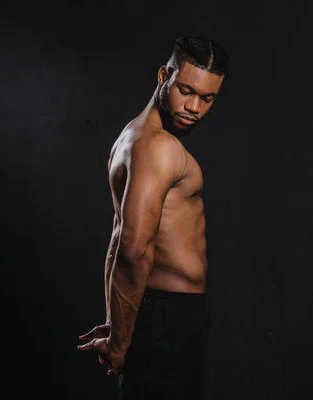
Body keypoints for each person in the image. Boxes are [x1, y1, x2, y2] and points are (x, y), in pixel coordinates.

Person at [77, 34, 228, 399]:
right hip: (168, 320)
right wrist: (119, 341)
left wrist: (118, 326)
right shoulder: (158, 147)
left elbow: (117, 238)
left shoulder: (132, 137)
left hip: (160, 316)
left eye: (207, 98)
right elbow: (132, 248)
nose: (195, 106)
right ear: (164, 75)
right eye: (186, 91)